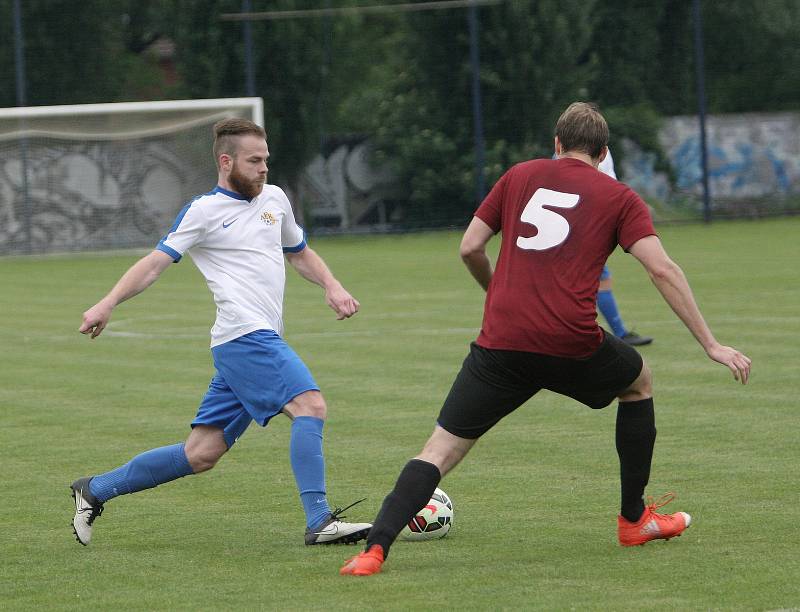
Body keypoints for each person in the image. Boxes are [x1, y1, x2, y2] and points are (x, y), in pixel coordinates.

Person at [340, 102, 751, 576]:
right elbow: (662, 268)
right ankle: (635, 519)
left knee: (439, 449)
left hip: (502, 340)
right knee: (638, 382)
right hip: (569, 340)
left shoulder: (518, 176)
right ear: (603, 152)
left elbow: (470, 247)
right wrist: (711, 345)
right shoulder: (619, 197)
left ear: (556, 144)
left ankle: (373, 552)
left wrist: (496, 293)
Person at [71, 118, 371, 547]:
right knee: (311, 406)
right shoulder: (204, 211)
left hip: (250, 342)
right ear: (226, 161)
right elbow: (154, 263)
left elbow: (299, 253)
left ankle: (94, 489)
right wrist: (108, 302)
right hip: (245, 336)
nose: (264, 168)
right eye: (254, 161)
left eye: (266, 159)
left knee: (201, 453)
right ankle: (319, 520)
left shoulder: (275, 199)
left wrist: (332, 285)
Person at [596, 149, 653, 346]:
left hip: (565, 227)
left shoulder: (561, 152)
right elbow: (605, 185)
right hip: (582, 223)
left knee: (598, 278)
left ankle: (620, 333)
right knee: (596, 279)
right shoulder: (595, 147)